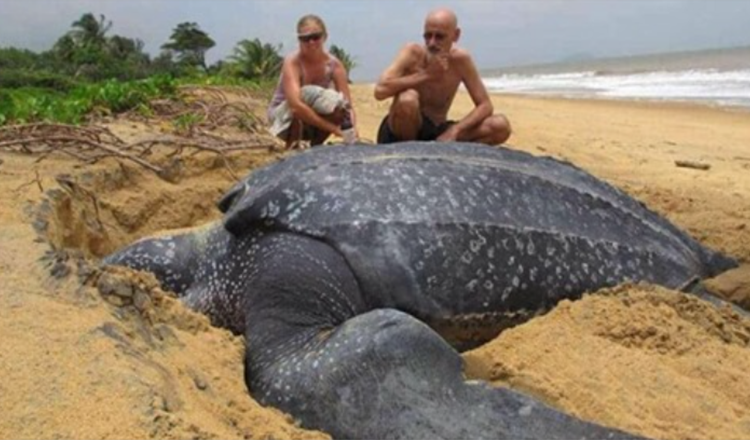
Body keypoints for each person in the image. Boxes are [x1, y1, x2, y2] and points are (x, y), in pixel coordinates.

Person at [374, 8, 511, 145]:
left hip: (437, 132)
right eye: (428, 36)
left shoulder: (460, 60)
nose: (432, 43)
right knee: (408, 100)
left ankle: (438, 148)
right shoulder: (412, 53)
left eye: (439, 37)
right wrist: (426, 75)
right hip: (401, 131)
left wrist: (455, 130)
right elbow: (379, 91)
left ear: (455, 35)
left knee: (499, 126)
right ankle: (409, 152)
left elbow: (485, 105)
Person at [268, 14, 358, 148]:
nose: (311, 42)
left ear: (324, 37)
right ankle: (292, 146)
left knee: (340, 106)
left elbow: (348, 106)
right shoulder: (293, 62)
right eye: (305, 39)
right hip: (283, 118)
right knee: (305, 94)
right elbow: (295, 106)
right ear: (299, 40)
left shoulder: (334, 65)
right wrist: (334, 129)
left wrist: (353, 130)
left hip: (312, 117)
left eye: (315, 37)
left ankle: (315, 146)